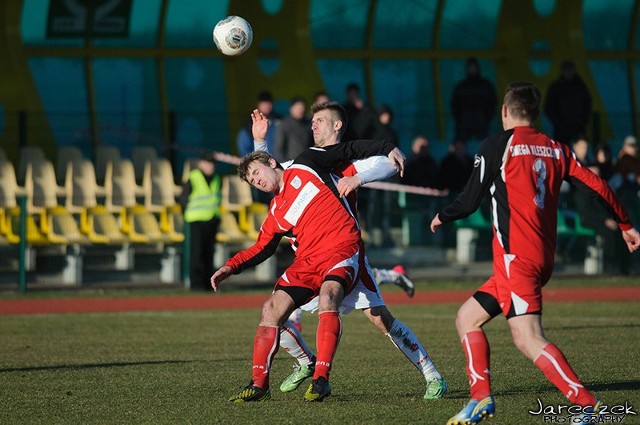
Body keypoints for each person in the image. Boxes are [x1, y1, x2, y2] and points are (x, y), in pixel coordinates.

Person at [430, 81, 640, 425]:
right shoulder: (556, 148)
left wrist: (442, 215)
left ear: (504, 112)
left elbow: (469, 201)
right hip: (540, 258)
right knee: (467, 318)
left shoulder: (498, 145)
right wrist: (626, 223)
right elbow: (597, 185)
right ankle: (480, 399)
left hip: (517, 259)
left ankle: (588, 404)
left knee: (528, 338)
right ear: (536, 114)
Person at [251, 103, 446, 400]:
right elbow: (266, 170)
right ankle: (307, 364)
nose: (312, 126)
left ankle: (433, 375)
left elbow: (390, 163)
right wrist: (259, 141)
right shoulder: (305, 160)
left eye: (319, 121)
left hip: (343, 255)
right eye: (312, 121)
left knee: (381, 318)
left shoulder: (347, 164)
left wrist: (358, 178)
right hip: (309, 261)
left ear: (337, 125)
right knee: (276, 313)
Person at [212, 104, 406, 403]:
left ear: (273, 162)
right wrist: (230, 267)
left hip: (341, 247)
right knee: (271, 309)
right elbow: (262, 248)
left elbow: (347, 150)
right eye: (251, 181)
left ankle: (320, 378)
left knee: (341, 301)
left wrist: (386, 146)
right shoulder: (275, 212)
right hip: (307, 261)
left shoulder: (305, 162)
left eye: (256, 174)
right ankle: (258, 383)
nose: (256, 180)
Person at [180, 156, 221, 291]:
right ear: (201, 164)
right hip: (196, 221)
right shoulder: (193, 177)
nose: (211, 166)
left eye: (213, 163)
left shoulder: (216, 178)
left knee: (209, 254)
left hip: (212, 220)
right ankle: (196, 285)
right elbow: (184, 199)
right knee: (197, 254)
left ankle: (209, 284)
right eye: (208, 163)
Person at [399, 135, 439, 245]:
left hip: (429, 200)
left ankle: (431, 244)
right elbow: (404, 180)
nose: (423, 149)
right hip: (413, 200)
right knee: (414, 223)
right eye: (420, 146)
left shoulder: (431, 163)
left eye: (425, 146)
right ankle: (413, 244)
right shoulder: (408, 162)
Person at [544, 60, 592, 145]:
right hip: (561, 130)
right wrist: (559, 123)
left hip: (577, 128)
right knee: (561, 153)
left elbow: (587, 106)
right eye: (567, 70)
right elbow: (549, 108)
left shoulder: (581, 87)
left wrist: (582, 122)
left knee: (578, 154)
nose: (569, 72)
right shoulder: (556, 87)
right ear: (562, 71)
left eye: (570, 70)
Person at [451, 57, 497, 143]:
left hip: (481, 121)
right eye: (470, 68)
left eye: (474, 67)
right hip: (465, 122)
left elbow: (492, 103)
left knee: (484, 145)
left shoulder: (485, 85)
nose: (472, 70)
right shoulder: (461, 87)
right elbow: (455, 104)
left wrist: (487, 117)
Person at [236, 90, 279, 157]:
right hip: (260, 162)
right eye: (264, 103)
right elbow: (244, 148)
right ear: (258, 104)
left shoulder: (279, 121)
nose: (267, 106)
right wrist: (253, 163)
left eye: (269, 103)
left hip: (279, 162)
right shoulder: (250, 125)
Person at [273, 96, 312, 163]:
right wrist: (286, 166)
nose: (301, 110)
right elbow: (278, 149)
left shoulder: (308, 124)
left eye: (302, 108)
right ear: (291, 109)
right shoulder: (284, 124)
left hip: (307, 164)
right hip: (290, 164)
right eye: (298, 108)